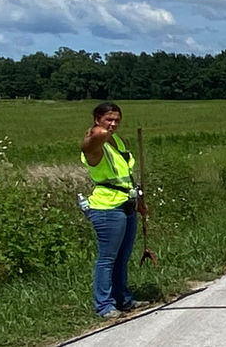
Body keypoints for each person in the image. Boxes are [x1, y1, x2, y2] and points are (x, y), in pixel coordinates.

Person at [80, 102, 148, 318]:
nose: (113, 124)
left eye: (117, 120)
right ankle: (104, 305)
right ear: (97, 119)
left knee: (122, 257)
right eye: (108, 119)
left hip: (126, 203)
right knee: (107, 258)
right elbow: (90, 142)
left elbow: (126, 176)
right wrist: (97, 131)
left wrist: (139, 202)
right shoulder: (96, 146)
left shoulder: (116, 141)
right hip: (108, 208)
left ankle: (123, 299)